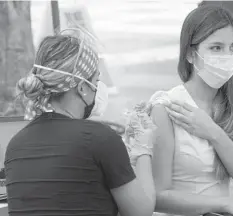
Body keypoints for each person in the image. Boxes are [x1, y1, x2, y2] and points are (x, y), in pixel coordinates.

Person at [147, 3, 233, 216]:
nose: (227, 56)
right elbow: (158, 196)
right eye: (216, 47)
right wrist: (224, 204)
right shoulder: (167, 108)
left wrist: (214, 133)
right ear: (190, 54)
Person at [4, 29, 155, 216]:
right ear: (82, 87)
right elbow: (143, 211)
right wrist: (143, 149)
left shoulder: (16, 145)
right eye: (96, 81)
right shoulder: (99, 138)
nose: (99, 89)